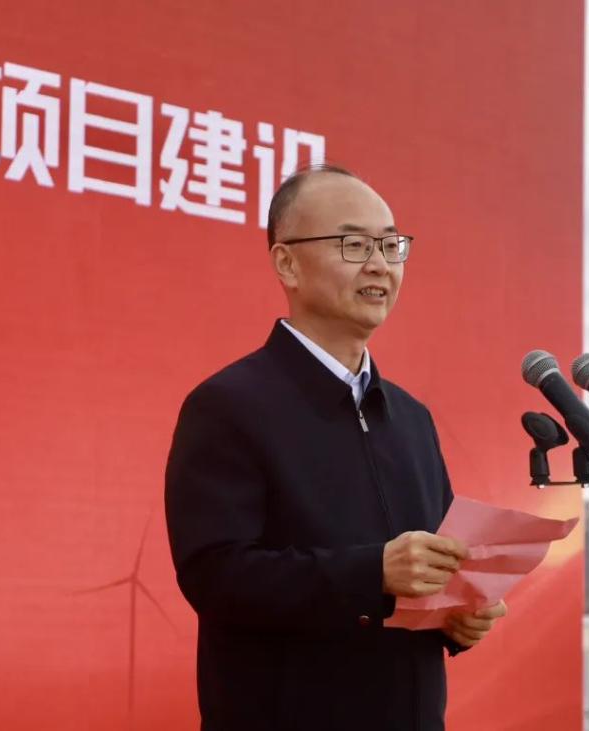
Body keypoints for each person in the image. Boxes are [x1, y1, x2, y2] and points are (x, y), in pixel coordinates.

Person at [164, 164, 507, 731]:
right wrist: (373, 571)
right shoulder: (227, 405)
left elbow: (430, 578)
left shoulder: (413, 419)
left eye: (390, 246)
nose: (379, 265)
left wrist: (459, 616)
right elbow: (215, 576)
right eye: (354, 244)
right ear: (287, 263)